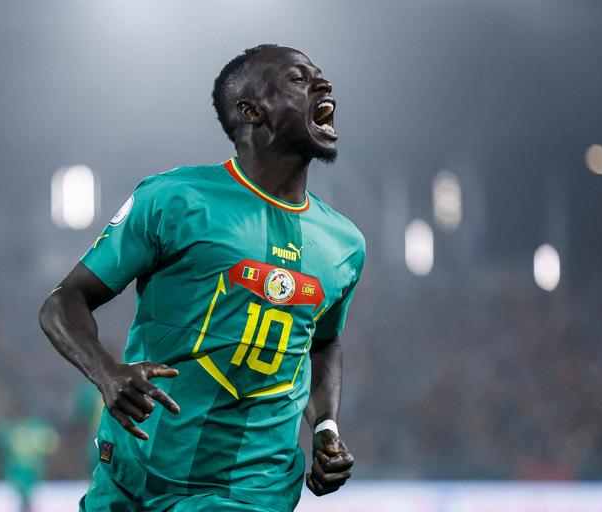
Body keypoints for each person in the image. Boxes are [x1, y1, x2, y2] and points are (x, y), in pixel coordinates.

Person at [39, 44, 365, 512]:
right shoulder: (175, 199)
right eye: (299, 79)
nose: (324, 85)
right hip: (131, 480)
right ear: (251, 110)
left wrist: (325, 427)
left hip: (247, 491)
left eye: (321, 77)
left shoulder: (344, 244)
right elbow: (63, 302)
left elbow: (324, 342)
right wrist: (106, 372)